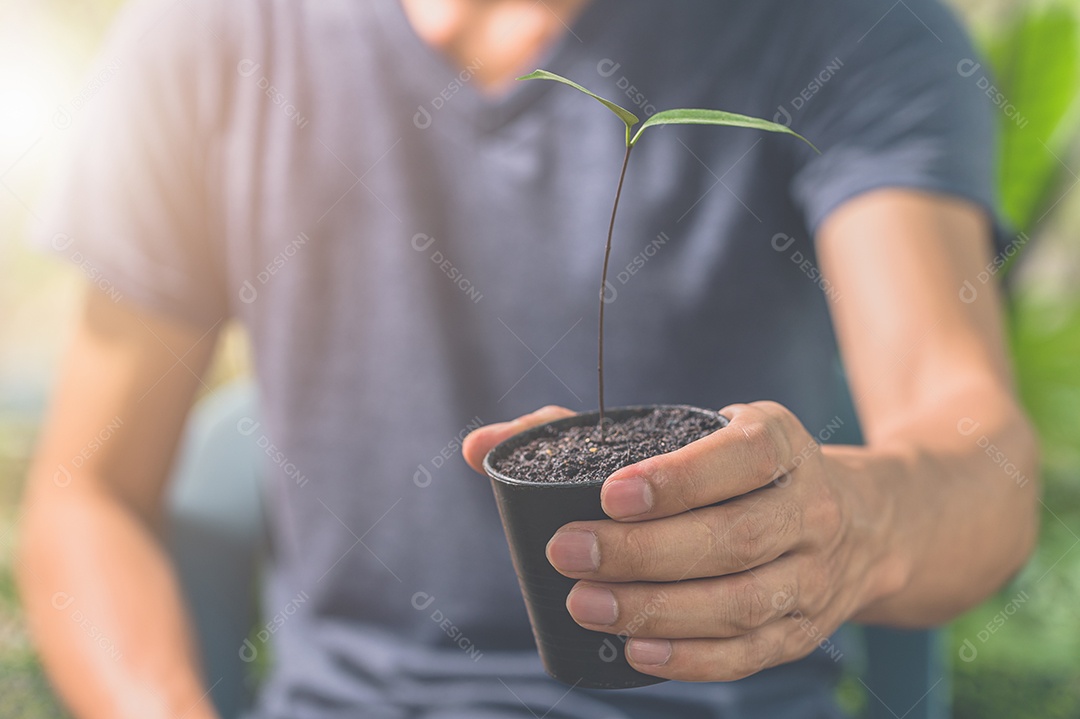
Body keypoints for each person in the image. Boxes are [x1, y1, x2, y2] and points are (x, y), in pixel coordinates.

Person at [18, 0, 1039, 717]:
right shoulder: (216, 38)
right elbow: (86, 490)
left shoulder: (846, 29)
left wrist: (854, 523)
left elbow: (972, 450)